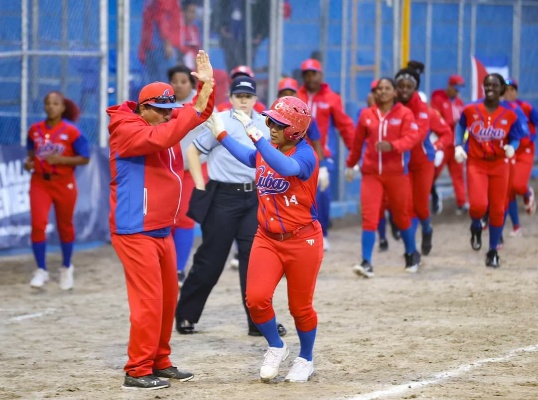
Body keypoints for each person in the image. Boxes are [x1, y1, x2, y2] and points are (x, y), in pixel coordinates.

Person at [107, 50, 214, 390]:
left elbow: (198, 114)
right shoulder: (126, 128)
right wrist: (188, 111)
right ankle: (137, 369)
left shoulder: (161, 121)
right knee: (149, 302)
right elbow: (166, 135)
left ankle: (159, 360)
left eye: (171, 110)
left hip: (160, 229)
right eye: (163, 111)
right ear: (145, 108)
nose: (170, 116)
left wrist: (208, 86)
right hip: (134, 229)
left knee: (168, 299)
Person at [205, 95, 322, 382]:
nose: (270, 127)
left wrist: (256, 135)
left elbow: (286, 168)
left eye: (278, 124)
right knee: (256, 299)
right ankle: (276, 346)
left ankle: (305, 358)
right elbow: (250, 156)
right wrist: (220, 133)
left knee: (300, 307)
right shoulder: (267, 148)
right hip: (267, 238)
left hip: (302, 240)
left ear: (294, 130)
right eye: (269, 121)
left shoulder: (305, 155)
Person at [175, 75, 286, 338]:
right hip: (223, 197)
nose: (244, 100)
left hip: (253, 199)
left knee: (255, 262)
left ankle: (259, 322)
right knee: (210, 260)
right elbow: (192, 150)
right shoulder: (222, 120)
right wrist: (200, 184)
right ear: (232, 97)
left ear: (256, 99)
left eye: (248, 96)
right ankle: (186, 315)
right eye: (239, 96)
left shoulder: (264, 123)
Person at [345, 78, 422, 278]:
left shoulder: (405, 114)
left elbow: (412, 138)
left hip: (397, 174)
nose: (383, 92)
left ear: (395, 92)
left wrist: (393, 146)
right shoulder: (366, 115)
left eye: (387, 88)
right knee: (369, 217)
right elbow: (357, 142)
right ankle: (366, 262)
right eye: (380, 89)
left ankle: (411, 253)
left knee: (401, 217)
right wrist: (351, 164)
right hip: (371, 174)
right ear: (375, 93)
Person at [454, 73, 525, 268]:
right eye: (487, 85)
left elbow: (516, 136)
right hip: (476, 163)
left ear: (502, 89)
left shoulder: (510, 113)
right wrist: (459, 145)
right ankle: (476, 226)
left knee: (498, 209)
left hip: (500, 164)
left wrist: (513, 147)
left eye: (494, 85)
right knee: (477, 206)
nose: (490, 88)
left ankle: (493, 251)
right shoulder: (470, 109)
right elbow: (460, 127)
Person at [25, 92, 90, 290]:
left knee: (65, 226)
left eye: (55, 103)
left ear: (63, 107)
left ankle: (66, 267)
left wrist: (61, 160)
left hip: (64, 183)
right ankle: (41, 270)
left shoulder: (72, 132)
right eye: (48, 103)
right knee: (38, 224)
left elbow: (85, 158)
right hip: (40, 182)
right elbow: (30, 153)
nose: (51, 107)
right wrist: (28, 163)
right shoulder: (34, 129)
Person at [297, 58, 355, 251]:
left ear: (321, 75)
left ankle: (322, 233)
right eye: (307, 73)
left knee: (322, 192)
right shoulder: (297, 95)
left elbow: (345, 126)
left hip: (324, 155)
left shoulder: (332, 98)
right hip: (297, 153)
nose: (310, 77)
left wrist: (353, 155)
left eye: (314, 73)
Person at [167, 65, 210, 284]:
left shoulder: (199, 103)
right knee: (167, 216)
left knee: (184, 215)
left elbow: (215, 132)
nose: (178, 85)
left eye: (183, 81)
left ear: (191, 84)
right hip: (168, 169)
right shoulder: (162, 104)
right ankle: (167, 265)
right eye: (174, 81)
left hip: (194, 168)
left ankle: (178, 269)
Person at [503, 78, 538, 236]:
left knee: (517, 185)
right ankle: (516, 227)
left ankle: (527, 193)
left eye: (512, 89)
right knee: (508, 190)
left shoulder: (526, 107)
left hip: (525, 151)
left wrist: (531, 137)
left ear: (517, 91)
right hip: (510, 151)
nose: (510, 93)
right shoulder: (499, 108)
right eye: (506, 89)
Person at [430, 74, 467, 215]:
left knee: (458, 174)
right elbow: (438, 121)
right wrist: (452, 123)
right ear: (449, 86)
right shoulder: (438, 99)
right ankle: (433, 195)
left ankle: (462, 203)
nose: (457, 92)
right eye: (455, 88)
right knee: (432, 173)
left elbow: (462, 123)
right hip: (443, 144)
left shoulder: (459, 103)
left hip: (455, 145)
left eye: (458, 89)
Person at [212, 0, 269, 74]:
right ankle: (234, 81)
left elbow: (266, 14)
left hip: (250, 38)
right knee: (233, 66)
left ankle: (244, 80)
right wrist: (220, 28)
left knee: (246, 65)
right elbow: (217, 12)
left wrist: (261, 34)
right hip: (230, 38)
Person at [138, 0, 183, 83]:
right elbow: (162, 16)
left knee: (154, 83)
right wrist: (167, 42)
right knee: (167, 82)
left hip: (150, 44)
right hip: (162, 45)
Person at [178, 0, 201, 69]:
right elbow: (179, 46)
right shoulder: (179, 27)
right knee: (188, 58)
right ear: (183, 12)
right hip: (184, 57)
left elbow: (198, 46)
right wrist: (191, 54)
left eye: (193, 12)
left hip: (194, 58)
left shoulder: (194, 29)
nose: (192, 15)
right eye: (190, 12)